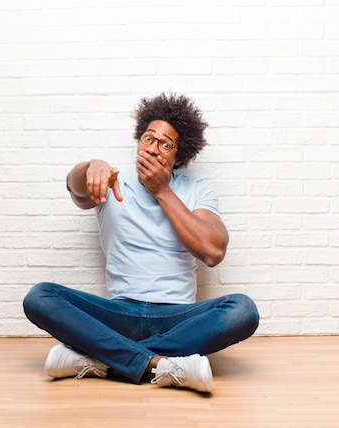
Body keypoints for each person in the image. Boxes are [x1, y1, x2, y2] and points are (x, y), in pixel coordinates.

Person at [22, 92, 259, 393]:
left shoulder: (197, 190)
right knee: (39, 296)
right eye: (148, 138)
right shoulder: (111, 181)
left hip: (175, 318)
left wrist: (162, 192)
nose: (153, 149)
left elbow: (213, 251)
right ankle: (160, 365)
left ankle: (103, 358)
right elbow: (75, 188)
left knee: (243, 310)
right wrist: (89, 166)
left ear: (179, 156)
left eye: (165, 144)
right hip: (117, 314)